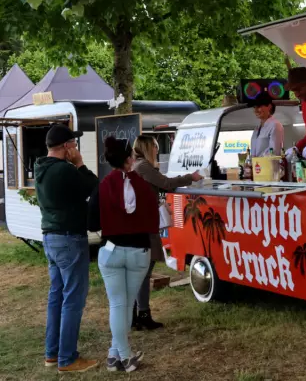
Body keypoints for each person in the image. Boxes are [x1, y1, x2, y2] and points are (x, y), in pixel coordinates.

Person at [90, 137, 158, 372]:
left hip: (111, 251)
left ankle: (114, 355)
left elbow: (91, 222)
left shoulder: (103, 185)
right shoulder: (141, 184)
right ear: (130, 158)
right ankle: (124, 356)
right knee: (125, 304)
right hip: (138, 251)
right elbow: (153, 217)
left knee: (119, 304)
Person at [35, 124, 99, 373]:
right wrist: (80, 163)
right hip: (70, 238)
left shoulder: (41, 167)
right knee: (73, 299)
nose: (76, 147)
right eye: (73, 144)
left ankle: (52, 354)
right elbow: (94, 186)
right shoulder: (64, 170)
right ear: (66, 147)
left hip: (51, 238)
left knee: (56, 297)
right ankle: (68, 359)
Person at [131, 135, 202, 330]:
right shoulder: (143, 167)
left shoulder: (138, 166)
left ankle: (135, 314)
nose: (156, 149)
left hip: (142, 223)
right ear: (147, 148)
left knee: (142, 270)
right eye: (154, 146)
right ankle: (142, 314)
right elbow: (167, 183)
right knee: (144, 271)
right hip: (145, 224)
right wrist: (191, 177)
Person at [250, 93, 284, 157]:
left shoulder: (275, 125)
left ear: (269, 106)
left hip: (268, 165)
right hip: (257, 165)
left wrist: (258, 160)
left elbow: (274, 152)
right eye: (254, 107)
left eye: (259, 106)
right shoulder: (257, 128)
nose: (256, 110)